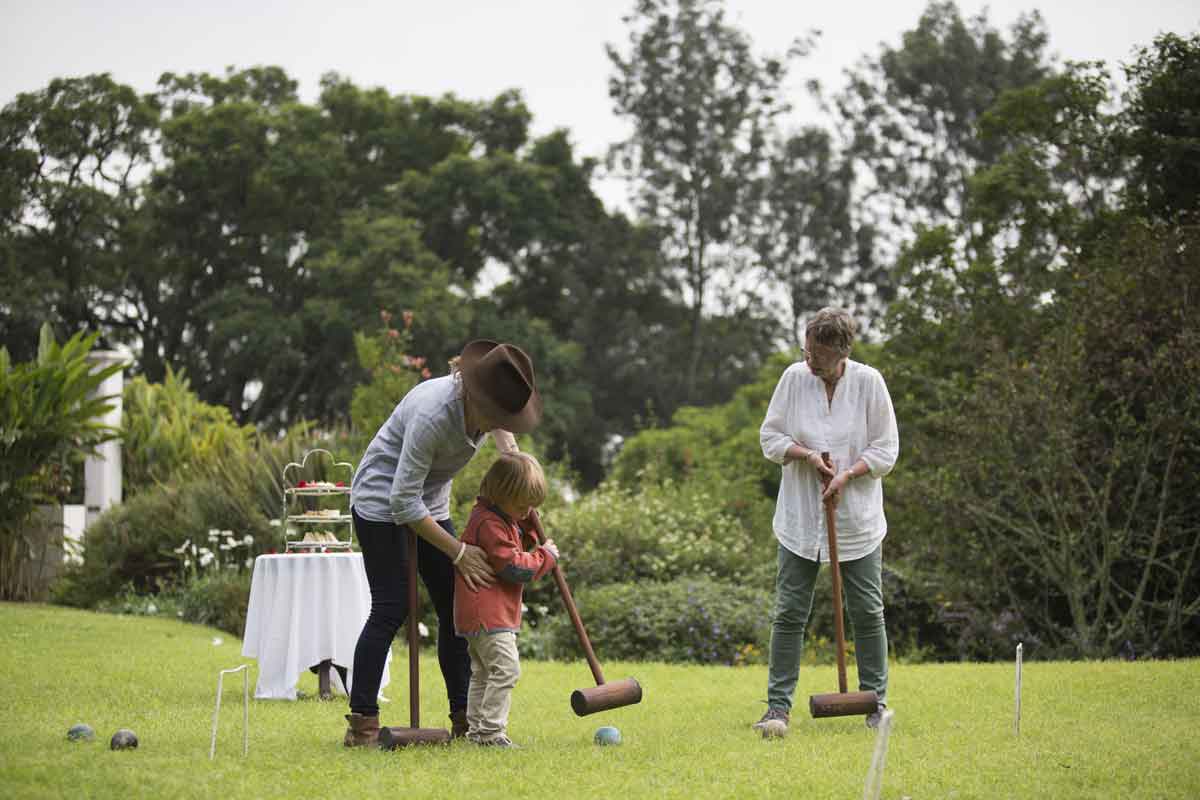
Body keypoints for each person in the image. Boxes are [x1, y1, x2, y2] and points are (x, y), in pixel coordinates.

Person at [343, 340, 543, 747]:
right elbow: (402, 501)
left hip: (428, 501)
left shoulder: (488, 409)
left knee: (459, 598)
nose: (499, 422)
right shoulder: (434, 416)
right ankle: (362, 722)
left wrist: (515, 464)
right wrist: (458, 551)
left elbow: (503, 441)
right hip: (383, 502)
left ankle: (464, 718)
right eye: (498, 415)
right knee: (391, 606)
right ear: (474, 394)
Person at [752, 307, 899, 732]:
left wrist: (849, 475)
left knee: (868, 612)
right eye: (806, 350)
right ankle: (777, 708)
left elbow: (886, 450)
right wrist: (808, 455)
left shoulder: (869, 384)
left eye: (817, 354)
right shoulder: (794, 379)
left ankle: (875, 703)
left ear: (842, 351)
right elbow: (770, 438)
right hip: (801, 519)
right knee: (789, 612)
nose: (809, 360)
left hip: (856, 520)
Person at [453, 452, 559, 748]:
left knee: (484, 673)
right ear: (501, 494)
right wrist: (545, 556)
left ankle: (477, 732)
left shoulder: (496, 517)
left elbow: (511, 544)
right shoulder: (490, 524)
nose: (527, 513)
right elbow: (513, 567)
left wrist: (524, 529)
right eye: (522, 506)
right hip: (488, 613)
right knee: (506, 669)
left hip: (478, 613)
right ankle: (490, 733)